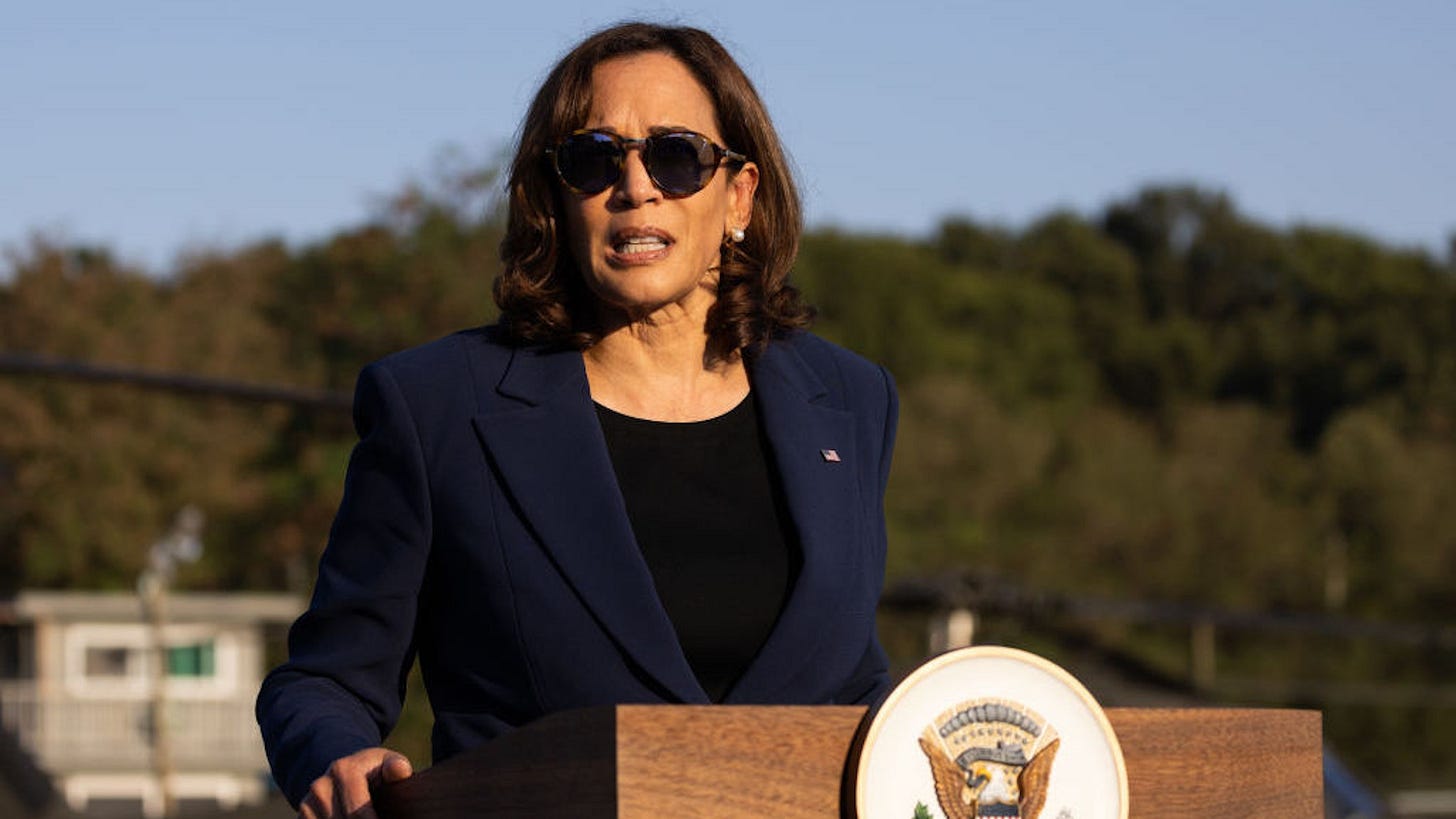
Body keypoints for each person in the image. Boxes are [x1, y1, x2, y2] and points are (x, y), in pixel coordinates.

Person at [256, 21, 898, 818]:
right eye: (594, 159)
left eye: (676, 155)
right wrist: (336, 753)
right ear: (556, 200)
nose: (635, 186)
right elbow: (324, 679)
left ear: (739, 195)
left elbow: (845, 670)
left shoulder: (849, 399)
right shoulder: (437, 406)